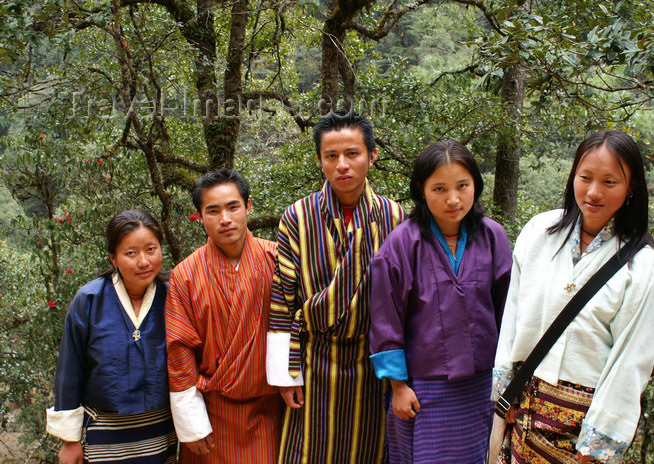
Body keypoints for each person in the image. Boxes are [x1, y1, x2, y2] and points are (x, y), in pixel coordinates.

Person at [490, 130, 654, 464]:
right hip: (522, 412)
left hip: (582, 427)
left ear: (632, 189)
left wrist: (596, 445)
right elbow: (512, 316)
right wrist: (505, 390)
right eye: (585, 178)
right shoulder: (539, 233)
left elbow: (632, 359)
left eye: (610, 182)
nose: (593, 192)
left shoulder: (643, 264)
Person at [266, 110, 406, 463]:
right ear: (320, 161)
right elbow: (283, 300)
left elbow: (404, 302)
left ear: (371, 157)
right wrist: (285, 376)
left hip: (369, 364)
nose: (343, 165)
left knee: (369, 450)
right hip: (314, 361)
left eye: (352, 154)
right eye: (332, 156)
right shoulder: (297, 217)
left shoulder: (393, 217)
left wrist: (401, 374)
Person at [369, 140, 512, 463]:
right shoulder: (401, 243)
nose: (452, 199)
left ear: (476, 184)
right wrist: (398, 387)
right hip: (420, 387)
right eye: (439, 188)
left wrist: (508, 380)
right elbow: (385, 318)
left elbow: (508, 311)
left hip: (480, 386)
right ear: (421, 190)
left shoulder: (493, 237)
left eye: (463, 186)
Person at [165, 169, 283, 463]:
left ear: (248, 207)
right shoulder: (186, 275)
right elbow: (179, 352)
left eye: (233, 207)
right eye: (213, 211)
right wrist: (192, 424)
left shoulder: (278, 260)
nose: (225, 219)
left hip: (271, 409)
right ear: (199, 216)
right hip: (212, 412)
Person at [46, 210, 177, 464]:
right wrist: (70, 441)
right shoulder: (90, 300)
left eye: (151, 249)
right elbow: (69, 371)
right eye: (131, 253)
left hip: (159, 434)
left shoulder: (173, 297)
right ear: (113, 258)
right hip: (103, 434)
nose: (144, 261)